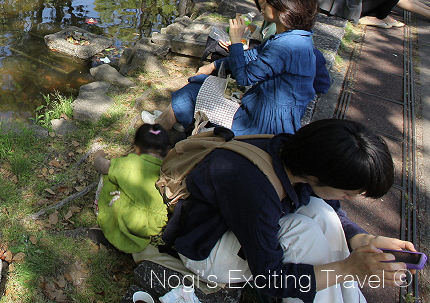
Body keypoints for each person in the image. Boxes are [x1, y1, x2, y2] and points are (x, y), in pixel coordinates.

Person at [161, 118, 415, 303]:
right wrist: (349, 268)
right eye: (347, 193)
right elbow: (270, 279)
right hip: (205, 253)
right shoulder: (255, 189)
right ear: (317, 176)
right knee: (303, 233)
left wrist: (364, 240)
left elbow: (331, 208)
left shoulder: (294, 153)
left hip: (235, 229)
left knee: (322, 212)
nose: (348, 199)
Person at [155, 0, 322, 136]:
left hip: (263, 124)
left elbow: (243, 77)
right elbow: (252, 55)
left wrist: (235, 40)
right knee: (199, 83)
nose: (263, 4)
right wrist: (214, 65)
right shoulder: (293, 37)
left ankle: (154, 136)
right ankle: (162, 127)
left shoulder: (286, 45)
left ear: (287, 7)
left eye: (270, 0)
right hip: (262, 108)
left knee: (190, 92)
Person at [92, 124, 171, 253]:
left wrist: (98, 155)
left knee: (108, 175)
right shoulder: (169, 169)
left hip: (128, 220)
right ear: (168, 150)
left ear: (137, 147)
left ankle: (101, 214)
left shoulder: (128, 163)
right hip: (153, 226)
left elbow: (102, 166)